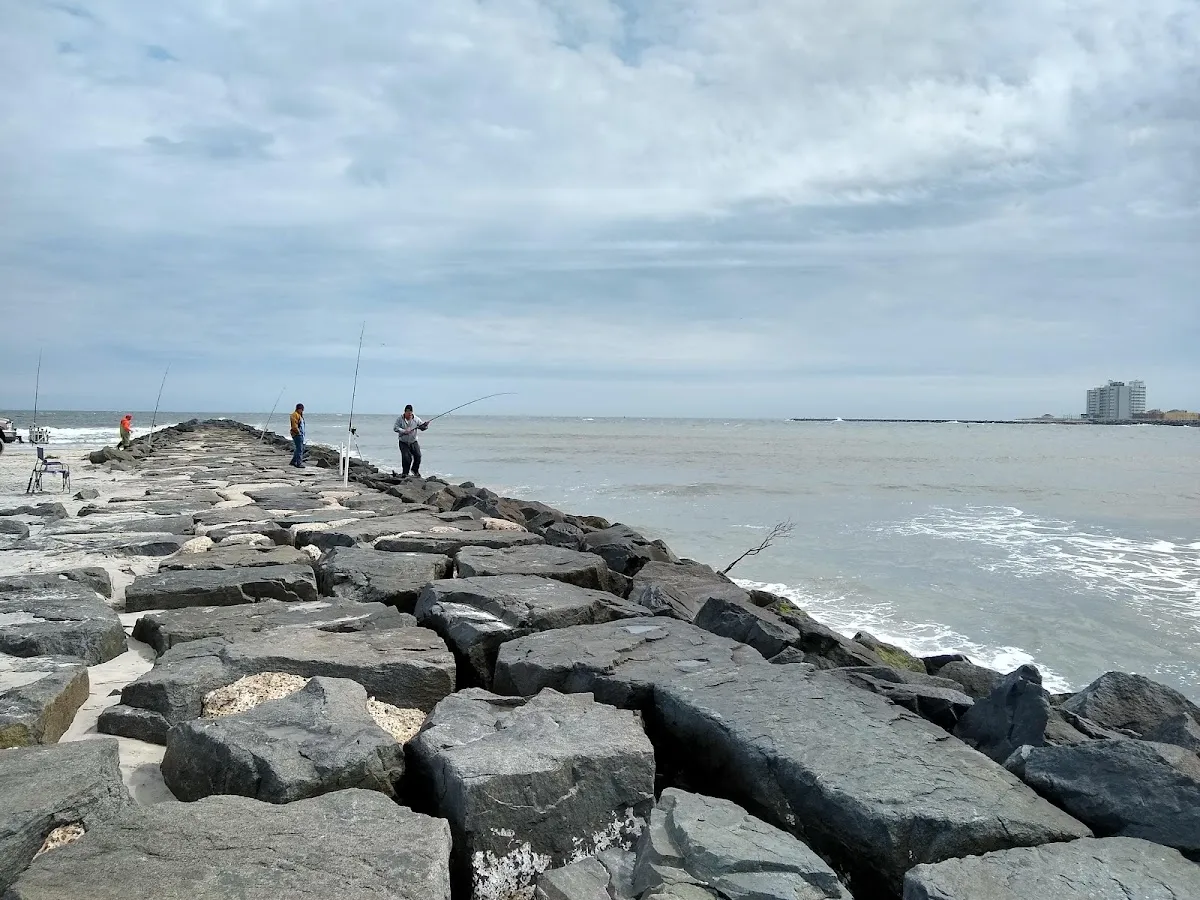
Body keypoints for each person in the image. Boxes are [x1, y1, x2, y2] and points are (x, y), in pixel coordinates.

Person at [393, 404, 429, 477]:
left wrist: (425, 426)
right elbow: (395, 428)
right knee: (406, 458)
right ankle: (405, 473)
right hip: (403, 442)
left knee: (418, 456)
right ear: (405, 412)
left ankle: (415, 470)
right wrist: (404, 431)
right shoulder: (400, 419)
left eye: (410, 413)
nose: (409, 415)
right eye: (408, 413)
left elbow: (422, 428)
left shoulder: (416, 419)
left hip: (413, 441)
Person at [289, 403, 305, 468]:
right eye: (301, 409)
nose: (302, 411)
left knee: (298, 448)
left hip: (300, 434)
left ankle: (293, 461)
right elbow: (294, 425)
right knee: (300, 449)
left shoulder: (299, 415)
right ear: (299, 409)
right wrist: (298, 433)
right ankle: (299, 463)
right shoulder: (295, 415)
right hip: (297, 434)